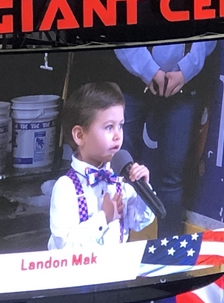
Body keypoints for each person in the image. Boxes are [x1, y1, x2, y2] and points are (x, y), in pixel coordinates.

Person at [114, 40, 217, 237]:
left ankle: (168, 258)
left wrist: (187, 69)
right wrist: (148, 69)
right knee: (119, 171)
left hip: (184, 83)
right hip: (130, 80)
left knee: (171, 176)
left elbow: (210, 31)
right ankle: (115, 247)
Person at [48, 82, 155, 250]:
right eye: (109, 127)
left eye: (120, 125)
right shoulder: (66, 187)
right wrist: (104, 218)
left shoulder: (120, 179)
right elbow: (65, 247)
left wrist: (144, 190)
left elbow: (139, 222)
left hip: (115, 271)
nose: (117, 136)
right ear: (79, 135)